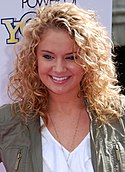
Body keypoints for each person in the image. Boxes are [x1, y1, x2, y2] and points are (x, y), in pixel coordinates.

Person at [0, 2, 125, 172]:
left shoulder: (120, 116)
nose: (59, 68)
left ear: (89, 60)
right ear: (33, 58)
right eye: (48, 56)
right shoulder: (9, 121)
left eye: (71, 57)